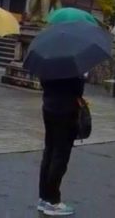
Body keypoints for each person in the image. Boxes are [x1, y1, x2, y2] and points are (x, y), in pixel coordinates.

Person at [37, 75, 84, 216]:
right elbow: (78, 90)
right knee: (60, 156)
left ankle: (44, 197)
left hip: (48, 107)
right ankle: (53, 201)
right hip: (65, 111)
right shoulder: (73, 70)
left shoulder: (47, 66)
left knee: (49, 151)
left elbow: (43, 82)